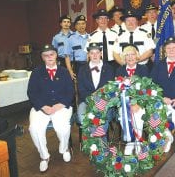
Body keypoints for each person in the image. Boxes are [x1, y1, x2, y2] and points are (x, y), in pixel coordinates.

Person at [27, 44, 74, 172]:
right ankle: (44, 156)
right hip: (41, 107)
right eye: (46, 55)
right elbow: (31, 92)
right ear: (42, 58)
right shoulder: (36, 72)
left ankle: (64, 149)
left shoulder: (64, 71)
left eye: (51, 54)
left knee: (62, 127)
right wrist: (43, 106)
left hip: (61, 106)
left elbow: (70, 92)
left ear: (56, 55)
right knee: (35, 128)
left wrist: (60, 105)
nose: (49, 57)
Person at [115, 45, 149, 155]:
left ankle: (138, 142)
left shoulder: (144, 69)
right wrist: (127, 104)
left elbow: (147, 89)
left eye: (132, 54)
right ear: (124, 58)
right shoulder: (119, 70)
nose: (130, 57)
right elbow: (116, 90)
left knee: (138, 117)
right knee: (124, 117)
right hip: (124, 103)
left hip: (140, 103)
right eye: (127, 55)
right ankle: (130, 142)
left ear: (137, 56)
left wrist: (138, 104)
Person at [77, 42, 114, 126]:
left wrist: (100, 101)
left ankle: (100, 138)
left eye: (97, 52)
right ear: (88, 55)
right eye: (92, 53)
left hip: (105, 102)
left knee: (102, 121)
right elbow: (81, 89)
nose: (94, 55)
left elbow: (111, 88)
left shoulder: (109, 68)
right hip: (86, 101)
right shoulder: (82, 69)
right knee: (83, 119)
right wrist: (92, 100)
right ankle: (90, 138)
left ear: (101, 54)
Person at [64, 15, 89, 80]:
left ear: (86, 25)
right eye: (78, 24)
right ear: (75, 26)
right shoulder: (70, 38)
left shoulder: (91, 37)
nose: (81, 26)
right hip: (77, 66)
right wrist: (70, 71)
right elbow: (67, 56)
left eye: (83, 23)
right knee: (78, 87)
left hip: (90, 65)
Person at [141, 3, 158, 70]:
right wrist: (150, 54)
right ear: (146, 14)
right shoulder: (142, 28)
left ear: (157, 13)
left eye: (154, 12)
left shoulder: (162, 27)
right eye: (149, 12)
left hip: (161, 56)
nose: (152, 14)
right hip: (147, 58)